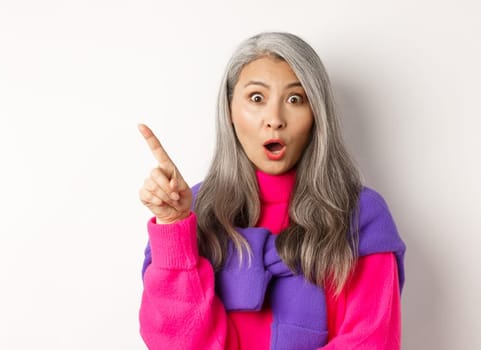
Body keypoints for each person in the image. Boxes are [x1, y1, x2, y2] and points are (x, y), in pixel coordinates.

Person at [136, 32, 406, 349]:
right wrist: (172, 226)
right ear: (230, 111)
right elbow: (175, 342)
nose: (274, 119)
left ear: (317, 115)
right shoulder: (194, 211)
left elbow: (373, 340)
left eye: (295, 99)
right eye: (256, 98)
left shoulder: (360, 214)